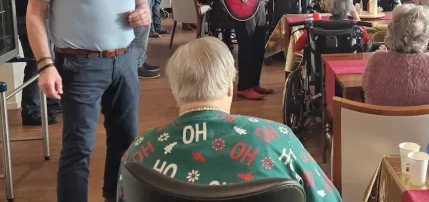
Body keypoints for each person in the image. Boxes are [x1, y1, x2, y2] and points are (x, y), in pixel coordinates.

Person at [26, 0, 150, 202]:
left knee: (126, 141)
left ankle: (114, 197)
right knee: (78, 149)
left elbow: (142, 4)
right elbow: (34, 14)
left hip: (125, 61)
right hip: (79, 64)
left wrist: (143, 14)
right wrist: (45, 65)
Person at [117, 37, 341, 202]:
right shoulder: (279, 140)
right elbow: (328, 199)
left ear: (175, 90)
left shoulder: (137, 154)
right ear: (229, 88)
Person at [362, 4, 429, 106]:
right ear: (426, 35)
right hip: (425, 121)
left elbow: (365, 87)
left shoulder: (376, 60)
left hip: (381, 121)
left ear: (391, 29)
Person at [294, 0, 368, 52]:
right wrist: (355, 14)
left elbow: (297, 47)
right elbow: (366, 39)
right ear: (350, 6)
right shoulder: (357, 29)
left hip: (321, 65)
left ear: (328, 7)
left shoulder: (317, 26)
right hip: (349, 65)